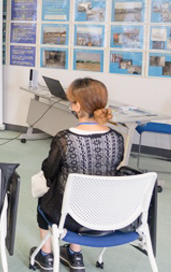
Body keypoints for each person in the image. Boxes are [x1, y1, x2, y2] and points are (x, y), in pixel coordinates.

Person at [30, 78, 124, 272]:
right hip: (106, 213)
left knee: (43, 195)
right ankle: (75, 254)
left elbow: (49, 173)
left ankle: (46, 256)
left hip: (71, 216)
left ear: (77, 106)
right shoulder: (117, 138)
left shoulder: (65, 139)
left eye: (70, 101)